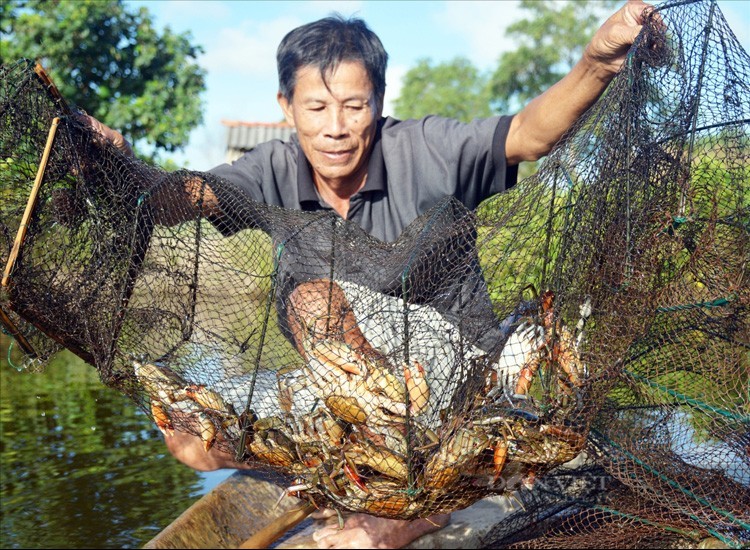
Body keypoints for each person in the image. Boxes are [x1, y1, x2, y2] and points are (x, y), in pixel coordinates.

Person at [89, 1, 654, 547]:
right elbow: (186, 196)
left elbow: (531, 133)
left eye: (353, 107)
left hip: (453, 380)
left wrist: (597, 62)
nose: (335, 128)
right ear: (286, 107)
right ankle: (361, 472)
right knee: (190, 439)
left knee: (311, 301)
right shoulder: (271, 168)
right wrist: (120, 176)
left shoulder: (427, 149)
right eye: (316, 108)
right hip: (353, 388)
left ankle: (409, 506)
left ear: (378, 101)